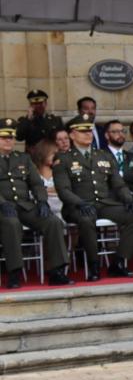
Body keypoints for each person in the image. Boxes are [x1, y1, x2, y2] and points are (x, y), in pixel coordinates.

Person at [53, 114, 133, 281]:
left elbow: (118, 184)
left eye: (89, 130)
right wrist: (80, 203)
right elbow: (63, 190)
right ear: (72, 135)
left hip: (104, 203)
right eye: (82, 131)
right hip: (77, 206)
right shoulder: (63, 158)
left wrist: (128, 200)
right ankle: (94, 264)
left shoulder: (103, 155)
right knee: (87, 219)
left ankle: (118, 262)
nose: (88, 134)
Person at [0, 119, 72, 287]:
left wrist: (42, 201)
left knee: (53, 221)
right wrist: (2, 203)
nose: (9, 141)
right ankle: (14, 272)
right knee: (11, 224)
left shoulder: (23, 158)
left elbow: (36, 183)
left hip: (25, 205)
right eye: (4, 137)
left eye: (10, 137)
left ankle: (57, 270)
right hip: (3, 207)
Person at [104, 120, 133, 196]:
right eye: (116, 132)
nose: (120, 134)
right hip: (112, 199)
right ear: (107, 135)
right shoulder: (100, 156)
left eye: (123, 131)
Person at [30, 140, 62, 217]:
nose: (56, 156)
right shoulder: (32, 174)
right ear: (42, 153)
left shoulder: (61, 173)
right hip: (38, 216)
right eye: (53, 153)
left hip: (60, 215)